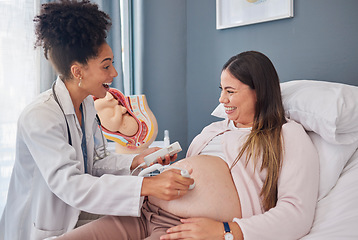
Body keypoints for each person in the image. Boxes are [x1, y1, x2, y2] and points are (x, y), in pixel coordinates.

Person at [56, 51, 319, 240]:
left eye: (230, 91)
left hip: (190, 230)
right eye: (221, 89)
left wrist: (226, 232)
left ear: (259, 91)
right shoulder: (213, 131)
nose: (221, 99)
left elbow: (296, 214)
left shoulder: (286, 135)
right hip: (144, 211)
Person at [0, 1, 193, 240]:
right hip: (41, 224)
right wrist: (148, 186)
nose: (114, 73)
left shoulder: (87, 104)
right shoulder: (40, 117)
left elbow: (96, 162)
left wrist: (137, 160)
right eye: (106, 66)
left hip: (74, 213)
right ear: (78, 71)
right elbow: (71, 185)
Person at [94, 88, 159, 154]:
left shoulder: (107, 108)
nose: (116, 101)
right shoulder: (102, 114)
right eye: (113, 100)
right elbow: (114, 126)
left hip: (140, 140)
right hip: (126, 145)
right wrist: (118, 110)